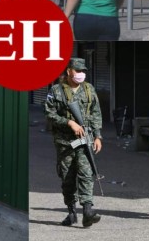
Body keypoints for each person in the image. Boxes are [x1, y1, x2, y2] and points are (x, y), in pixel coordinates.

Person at [45, 58, 103, 228]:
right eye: (77, 71)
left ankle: (87, 211)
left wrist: (98, 136)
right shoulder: (56, 91)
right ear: (69, 71)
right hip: (65, 143)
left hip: (85, 140)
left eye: (83, 71)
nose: (81, 74)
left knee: (86, 173)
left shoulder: (88, 89)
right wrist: (69, 122)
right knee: (68, 178)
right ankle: (72, 213)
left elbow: (95, 113)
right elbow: (49, 114)